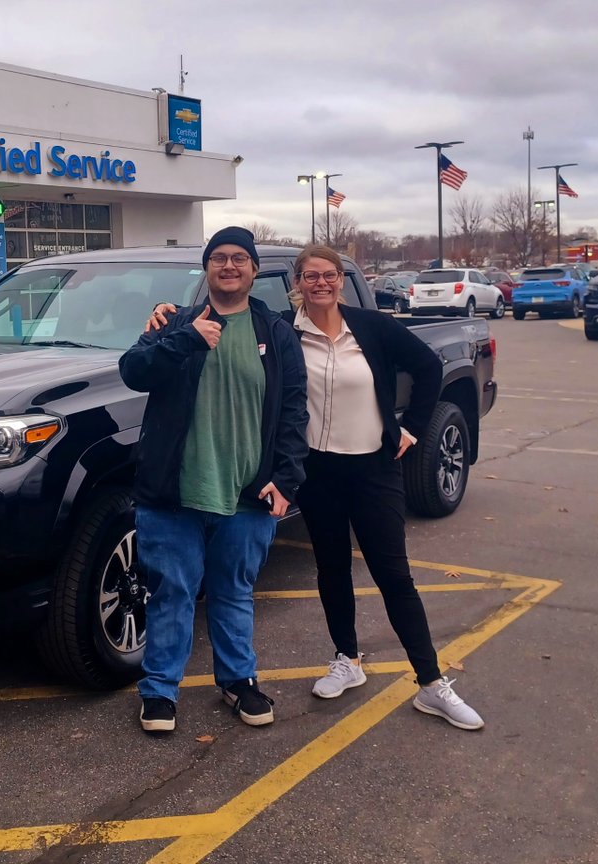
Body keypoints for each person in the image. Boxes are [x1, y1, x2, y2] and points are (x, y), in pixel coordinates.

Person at [149, 243, 483, 731]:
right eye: (310, 276)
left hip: (373, 469)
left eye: (329, 275)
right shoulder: (283, 331)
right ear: (296, 283)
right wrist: (170, 313)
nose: (320, 283)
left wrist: (409, 427)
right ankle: (347, 658)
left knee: (394, 575)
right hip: (317, 473)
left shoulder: (371, 327)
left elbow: (429, 368)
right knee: (331, 568)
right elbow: (233, 319)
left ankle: (432, 683)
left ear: (342, 280)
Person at [119, 227, 308, 734]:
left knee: (233, 591)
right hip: (173, 493)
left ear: (253, 271)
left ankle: (237, 681)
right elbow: (133, 370)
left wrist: (286, 480)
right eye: (219, 258)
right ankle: (160, 693)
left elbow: (293, 413)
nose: (229, 266)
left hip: (249, 492)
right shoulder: (175, 322)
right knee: (172, 594)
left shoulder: (276, 332)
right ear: (206, 269)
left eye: (240, 259)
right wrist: (183, 339)